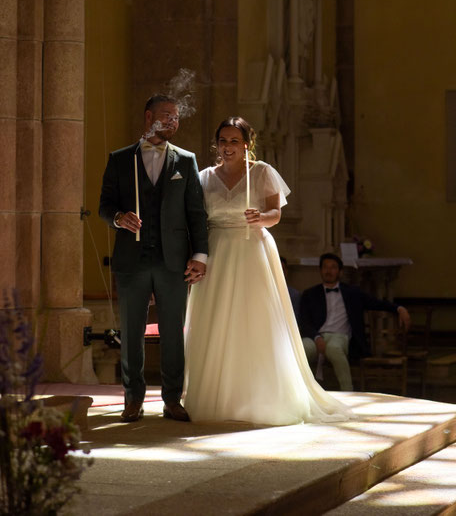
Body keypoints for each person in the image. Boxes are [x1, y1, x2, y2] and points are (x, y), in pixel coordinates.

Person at [183, 117, 352, 425]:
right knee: (218, 321)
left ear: (247, 144)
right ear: (216, 143)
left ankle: (262, 396)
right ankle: (218, 397)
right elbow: (195, 220)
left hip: (253, 251)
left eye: (234, 141)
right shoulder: (204, 177)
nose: (227, 147)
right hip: (218, 251)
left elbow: (276, 214)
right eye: (223, 141)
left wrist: (261, 216)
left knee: (254, 321)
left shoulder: (262, 173)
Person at [99, 94, 208, 422]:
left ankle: (172, 399)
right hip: (132, 258)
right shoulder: (120, 159)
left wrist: (201, 255)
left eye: (176, 116)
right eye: (166, 115)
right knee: (131, 332)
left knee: (174, 331)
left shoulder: (186, 161)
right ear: (148, 117)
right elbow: (104, 206)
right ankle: (133, 399)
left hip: (173, 261)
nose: (173, 121)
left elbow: (196, 213)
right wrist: (119, 218)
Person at [298, 252, 411, 391]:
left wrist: (399, 308)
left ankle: (348, 391)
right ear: (320, 270)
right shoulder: (310, 294)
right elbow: (304, 321)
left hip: (340, 336)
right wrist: (316, 337)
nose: (329, 271)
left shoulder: (352, 292)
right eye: (325, 267)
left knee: (333, 349)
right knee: (301, 348)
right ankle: (299, 392)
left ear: (340, 271)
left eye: (333, 267)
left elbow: (376, 303)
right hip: (316, 335)